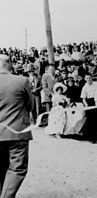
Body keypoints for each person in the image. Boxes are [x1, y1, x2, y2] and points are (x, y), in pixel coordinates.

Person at [0, 54, 34, 198]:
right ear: (10, 64)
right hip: (17, 131)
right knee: (17, 168)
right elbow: (30, 105)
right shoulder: (22, 80)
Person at [80, 73, 97, 143]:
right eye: (87, 78)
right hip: (89, 103)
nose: (88, 79)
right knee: (90, 121)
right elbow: (83, 99)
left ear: (92, 78)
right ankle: (92, 138)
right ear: (85, 79)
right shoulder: (85, 87)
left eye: (89, 78)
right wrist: (86, 105)